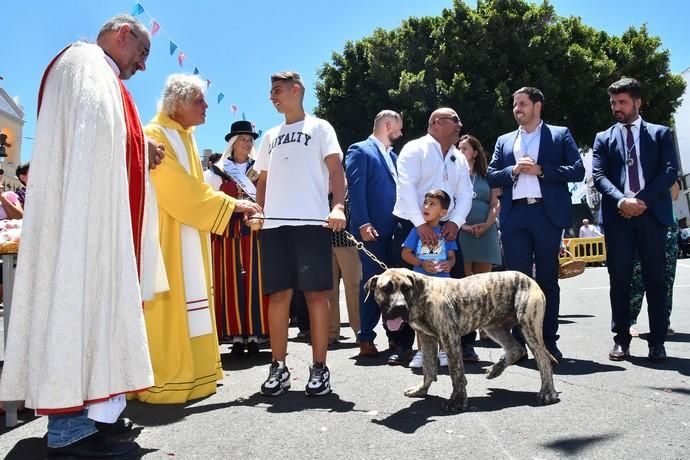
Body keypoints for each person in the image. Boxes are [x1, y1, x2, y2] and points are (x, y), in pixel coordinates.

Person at [0, 15, 166, 459]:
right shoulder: (84, 63)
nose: (142, 66)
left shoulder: (97, 69)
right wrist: (137, 145)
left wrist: (137, 144)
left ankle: (96, 417)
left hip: (95, 219)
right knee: (77, 306)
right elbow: (92, 135)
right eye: (142, 53)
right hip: (83, 221)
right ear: (122, 34)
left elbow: (106, 133)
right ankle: (70, 427)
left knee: (95, 310)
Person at [130, 74, 261, 403]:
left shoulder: (184, 135)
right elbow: (178, 190)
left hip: (188, 232)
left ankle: (196, 373)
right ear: (178, 104)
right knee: (168, 306)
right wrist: (231, 204)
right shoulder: (155, 134)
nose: (206, 107)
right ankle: (165, 380)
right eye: (199, 101)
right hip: (164, 237)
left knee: (192, 303)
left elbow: (196, 189)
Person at [255, 71, 346, 397]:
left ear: (296, 90)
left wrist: (337, 207)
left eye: (277, 90)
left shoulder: (321, 128)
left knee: (315, 296)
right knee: (278, 296)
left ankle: (319, 367)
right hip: (274, 227)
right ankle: (278, 366)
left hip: (311, 223)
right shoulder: (269, 136)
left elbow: (336, 170)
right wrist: (259, 211)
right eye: (271, 91)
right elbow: (262, 180)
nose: (272, 97)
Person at [487, 87, 584, 362]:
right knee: (516, 284)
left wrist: (543, 171)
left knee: (547, 281)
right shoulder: (504, 140)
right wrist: (513, 171)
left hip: (546, 214)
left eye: (522, 104)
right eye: (515, 105)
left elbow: (578, 169)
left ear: (537, 105)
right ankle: (517, 344)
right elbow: (492, 175)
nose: (517, 109)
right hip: (514, 215)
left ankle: (548, 342)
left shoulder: (559, 134)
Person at [593, 77, 678, 362]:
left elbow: (669, 171)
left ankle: (657, 340)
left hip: (652, 216)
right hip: (618, 218)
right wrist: (622, 201)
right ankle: (621, 338)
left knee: (656, 279)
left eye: (623, 102)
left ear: (637, 103)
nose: (617, 107)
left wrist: (642, 201)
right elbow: (599, 175)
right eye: (613, 102)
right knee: (620, 280)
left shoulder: (660, 133)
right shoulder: (603, 138)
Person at [393, 107, 478, 363]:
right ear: (436, 123)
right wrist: (421, 224)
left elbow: (465, 193)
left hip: (446, 229)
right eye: (455, 120)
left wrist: (456, 221)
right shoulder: (414, 149)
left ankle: (460, 345)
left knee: (455, 287)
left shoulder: (458, 157)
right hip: (411, 225)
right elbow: (405, 187)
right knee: (408, 290)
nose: (460, 125)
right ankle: (405, 347)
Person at [345, 109, 414, 359]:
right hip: (371, 232)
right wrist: (362, 222)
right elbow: (356, 188)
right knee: (373, 285)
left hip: (394, 231)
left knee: (394, 288)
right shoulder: (360, 150)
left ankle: (394, 338)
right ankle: (365, 337)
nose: (401, 132)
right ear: (387, 124)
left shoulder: (393, 156)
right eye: (399, 127)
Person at [204, 120, 269, 358]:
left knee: (255, 281)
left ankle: (255, 333)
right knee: (230, 281)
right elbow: (209, 201)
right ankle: (235, 335)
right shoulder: (216, 172)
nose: (247, 142)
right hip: (227, 234)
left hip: (254, 233)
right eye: (242, 138)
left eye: (250, 139)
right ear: (233, 143)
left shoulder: (257, 170)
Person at [402, 189, 457, 368]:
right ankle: (422, 352)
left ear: (443, 213)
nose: (426, 206)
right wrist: (421, 263)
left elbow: (452, 256)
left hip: (442, 283)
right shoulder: (416, 231)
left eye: (432, 204)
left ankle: (443, 351)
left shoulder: (445, 233)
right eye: (425, 202)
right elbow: (405, 253)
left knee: (443, 317)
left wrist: (449, 263)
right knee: (419, 318)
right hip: (420, 284)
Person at [629, 182, 680, 337]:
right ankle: (628, 322)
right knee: (635, 277)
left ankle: (663, 321)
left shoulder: (665, 165)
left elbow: (675, 194)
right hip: (637, 220)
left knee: (666, 276)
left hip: (665, 224)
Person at [456, 135, 502, 275]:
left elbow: (495, 203)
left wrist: (487, 224)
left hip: (485, 232)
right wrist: (463, 226)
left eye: (464, 148)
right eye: (458, 149)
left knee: (482, 283)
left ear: (475, 153)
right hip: (461, 232)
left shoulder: (489, 176)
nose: (460, 152)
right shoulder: (453, 175)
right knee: (463, 280)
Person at [327, 192, 362, 346]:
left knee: (354, 287)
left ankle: (360, 331)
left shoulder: (349, 188)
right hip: (324, 243)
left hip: (348, 243)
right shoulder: (319, 184)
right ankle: (331, 333)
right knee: (328, 290)